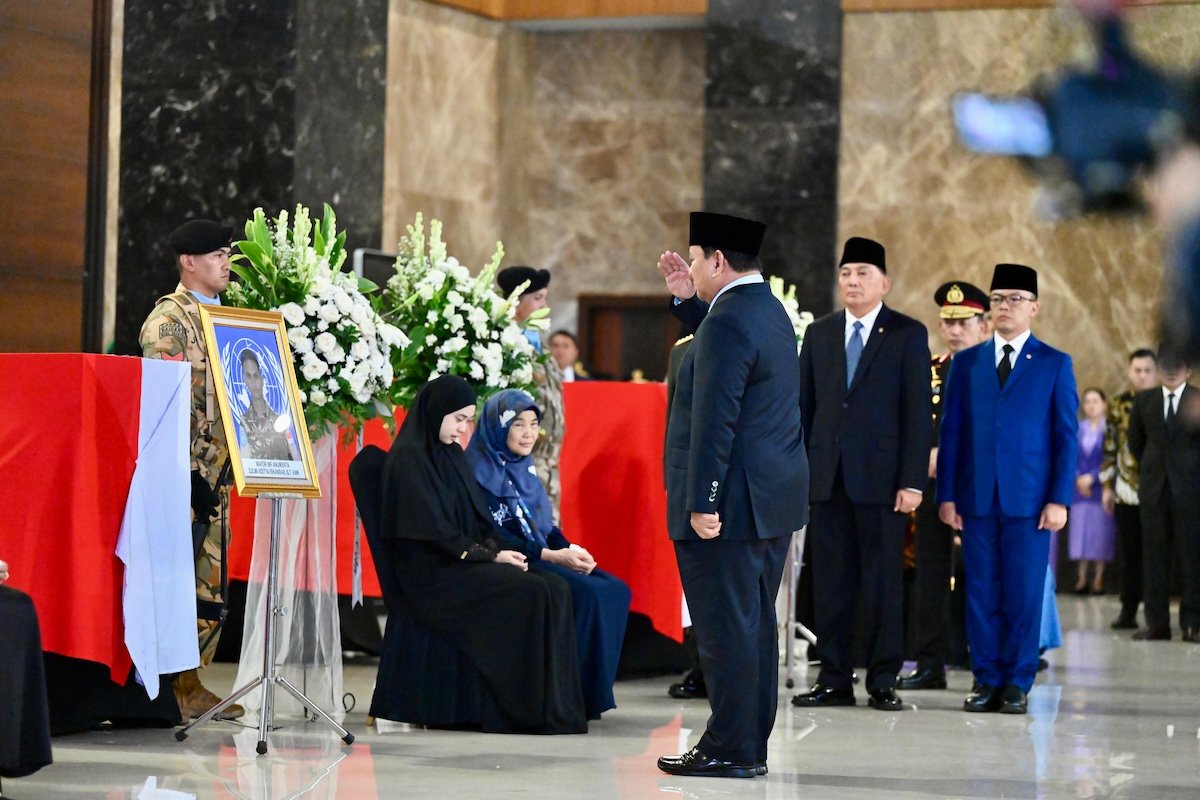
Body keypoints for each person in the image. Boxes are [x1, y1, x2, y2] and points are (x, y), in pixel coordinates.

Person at [654, 211, 807, 778]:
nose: (690, 267)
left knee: (724, 630)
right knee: (751, 626)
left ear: (718, 260)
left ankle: (730, 747)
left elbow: (717, 419)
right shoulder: (765, 309)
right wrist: (686, 303)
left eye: (695, 259)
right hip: (768, 500)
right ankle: (746, 742)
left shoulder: (729, 322)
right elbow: (732, 351)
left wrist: (703, 501)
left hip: (731, 504)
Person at [380, 375, 587, 734]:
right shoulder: (409, 460)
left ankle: (552, 710)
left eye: (467, 420)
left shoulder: (451, 454)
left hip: (460, 559)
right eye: (458, 419)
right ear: (437, 413)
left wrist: (501, 550)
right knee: (533, 592)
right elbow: (432, 531)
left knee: (554, 587)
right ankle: (516, 710)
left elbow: (479, 519)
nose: (463, 429)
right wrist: (487, 557)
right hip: (431, 571)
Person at [791, 237, 931, 712]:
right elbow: (804, 410)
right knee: (831, 583)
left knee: (883, 584)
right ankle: (833, 677)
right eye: (846, 273)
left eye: (863, 273)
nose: (853, 281)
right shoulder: (820, 334)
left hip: (883, 484)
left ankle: (883, 677)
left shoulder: (907, 334)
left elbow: (917, 415)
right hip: (827, 482)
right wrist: (801, 476)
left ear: (884, 282)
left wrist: (913, 481)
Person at [938, 263, 1078, 715]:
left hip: (1031, 500)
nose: (1004, 307)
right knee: (980, 590)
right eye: (998, 299)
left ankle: (1018, 680)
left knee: (1022, 591)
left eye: (1014, 299)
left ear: (1034, 307)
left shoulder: (1055, 364)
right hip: (976, 497)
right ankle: (986, 677)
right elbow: (952, 433)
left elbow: (1065, 437)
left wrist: (1059, 498)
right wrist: (948, 495)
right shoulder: (967, 362)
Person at [465, 389, 630, 719]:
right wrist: (553, 556)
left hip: (542, 552)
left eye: (533, 424)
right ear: (498, 428)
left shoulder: (524, 468)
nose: (528, 433)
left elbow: (544, 524)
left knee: (614, 590)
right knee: (585, 595)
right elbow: (497, 535)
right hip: (514, 559)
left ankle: (592, 693)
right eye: (518, 425)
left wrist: (569, 548)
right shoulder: (478, 471)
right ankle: (573, 694)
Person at [138, 219, 241, 720]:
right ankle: (176, 686)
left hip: (222, 476)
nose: (227, 263)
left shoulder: (230, 319)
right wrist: (186, 478)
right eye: (217, 254)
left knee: (211, 583)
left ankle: (194, 679)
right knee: (183, 580)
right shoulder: (169, 324)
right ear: (189, 261)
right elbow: (164, 406)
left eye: (227, 254)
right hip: (186, 479)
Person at [899, 280, 990, 691]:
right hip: (933, 488)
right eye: (948, 322)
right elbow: (915, 423)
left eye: (964, 322)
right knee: (930, 575)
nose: (954, 330)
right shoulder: (932, 370)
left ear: (983, 325)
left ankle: (983, 663)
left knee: (982, 575)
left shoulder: (992, 371)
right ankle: (930, 663)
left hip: (977, 486)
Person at [1126, 350, 1200, 642]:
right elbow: (1136, 443)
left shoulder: (1197, 400)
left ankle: (1192, 624)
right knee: (1154, 558)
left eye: (1177, 365)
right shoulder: (1144, 400)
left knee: (1192, 558)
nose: (1171, 371)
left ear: (1188, 370)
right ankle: (1156, 623)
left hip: (1191, 492)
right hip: (1154, 491)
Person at [497, 266, 566, 522]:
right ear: (516, 304)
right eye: (537, 299)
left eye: (545, 298)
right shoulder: (507, 346)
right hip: (522, 459)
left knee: (549, 531)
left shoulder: (540, 344)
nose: (544, 305)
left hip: (548, 461)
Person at [1100, 349, 1158, 629]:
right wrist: (1107, 486)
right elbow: (1109, 446)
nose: (1142, 375)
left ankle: (1157, 614)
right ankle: (1128, 609)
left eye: (1148, 370)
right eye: (1137, 370)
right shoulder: (1118, 404)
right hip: (1126, 487)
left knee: (1158, 553)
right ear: (1129, 371)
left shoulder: (1165, 402)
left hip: (1160, 487)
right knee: (1130, 553)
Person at [1070, 388, 1118, 594]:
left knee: (1100, 536)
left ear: (1104, 404)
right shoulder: (1077, 429)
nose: (1091, 405)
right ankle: (1081, 579)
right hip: (1079, 490)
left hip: (1101, 490)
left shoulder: (1111, 430)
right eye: (1087, 401)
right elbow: (1069, 455)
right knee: (1080, 535)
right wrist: (1079, 478)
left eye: (1095, 401)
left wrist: (1094, 477)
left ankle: (1098, 579)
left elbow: (1112, 459)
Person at [237, 349, 300, 461]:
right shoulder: (244, 422)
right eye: (248, 376)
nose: (253, 383)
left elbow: (296, 458)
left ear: (262, 379)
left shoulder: (280, 421)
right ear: (244, 380)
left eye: (255, 376)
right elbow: (245, 460)